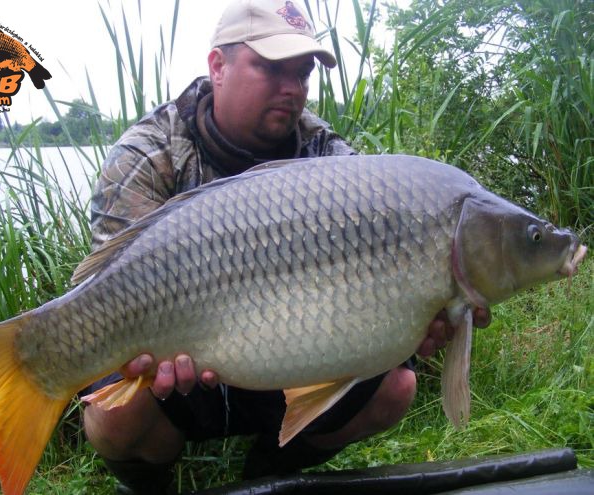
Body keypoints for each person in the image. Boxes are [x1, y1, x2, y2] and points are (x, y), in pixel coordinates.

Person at [83, 1, 491, 493]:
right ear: (218, 66)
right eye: (272, 68)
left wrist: (413, 316)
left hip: (293, 354)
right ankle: (151, 483)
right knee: (112, 418)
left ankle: (270, 473)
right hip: (183, 363)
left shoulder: (329, 157)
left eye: (301, 72)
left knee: (395, 387)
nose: (293, 87)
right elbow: (105, 290)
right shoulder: (149, 153)